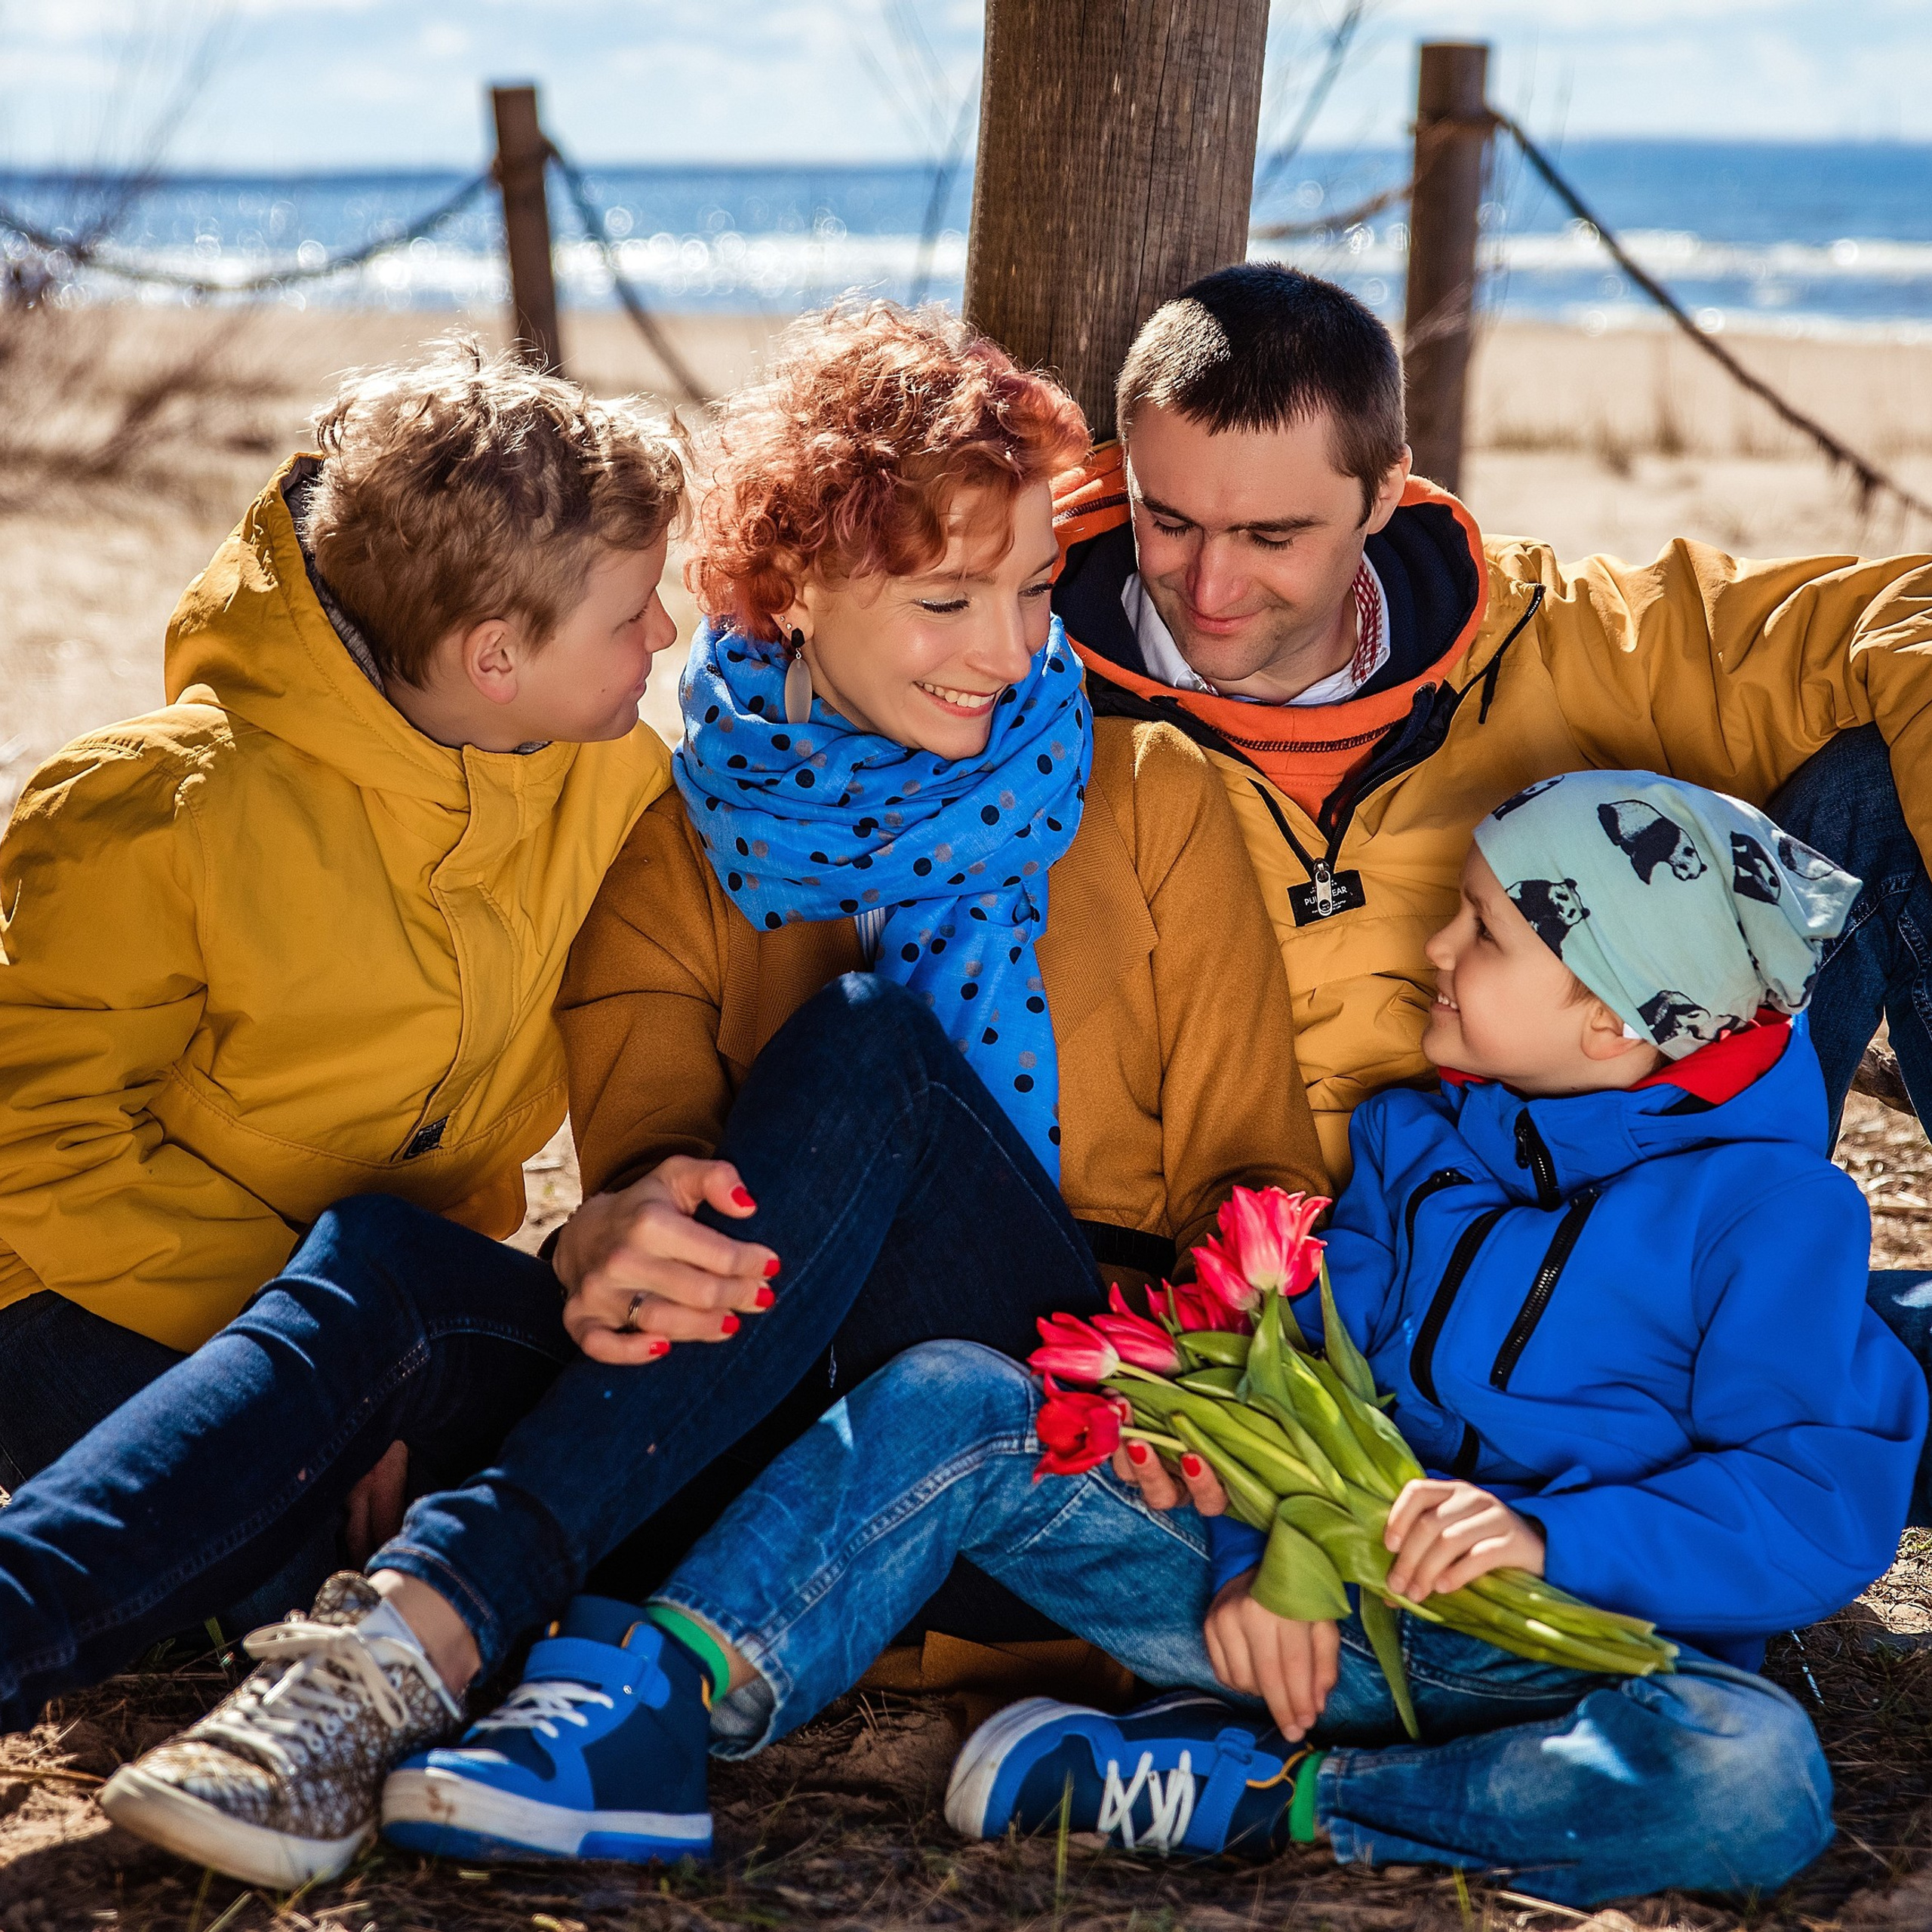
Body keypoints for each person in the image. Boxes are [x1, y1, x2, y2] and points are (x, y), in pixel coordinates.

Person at [0, 303, 1325, 1887]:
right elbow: (642, 1186)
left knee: (867, 1041)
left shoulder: (1154, 798)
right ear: (788, 594)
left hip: (1035, 1450)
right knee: (386, 1269)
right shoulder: (663, 822)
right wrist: (603, 1233)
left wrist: (1252, 1477)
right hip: (715, 1439)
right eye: (941, 596)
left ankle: (424, 1620)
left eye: (1033, 586)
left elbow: (1263, 1209)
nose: (1007, 647)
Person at [395, 772, 1924, 1908]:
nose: (1435, 952)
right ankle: (655, 1706)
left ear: (1609, 1024)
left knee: (1748, 1768)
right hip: (1292, 1613)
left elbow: (1812, 1497)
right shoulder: (1416, 1145)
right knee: (955, 1396)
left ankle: (1267, 1795)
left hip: (1547, 1669)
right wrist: (1269, 1553)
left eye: (1487, 932)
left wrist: (1549, 1534)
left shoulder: (1770, 1218)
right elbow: (1305, 1368)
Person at [0, 340, 681, 1565]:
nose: (668, 631)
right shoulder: (158, 809)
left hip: (401, 1303)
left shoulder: (618, 781)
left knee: (630, 1476)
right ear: (496, 658)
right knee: (313, 1552)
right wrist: (329, 1361)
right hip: (88, 1299)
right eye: (632, 614)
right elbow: (39, 1158)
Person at [1050, 262, 1932, 1189]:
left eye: (1271, 538)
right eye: (1170, 521)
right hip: (1257, 1272)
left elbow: (1896, 621)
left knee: (1874, 787)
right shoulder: (1016, 697)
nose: (1210, 588)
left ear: (1383, 493)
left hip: (1618, 1225)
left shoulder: (1540, 633)